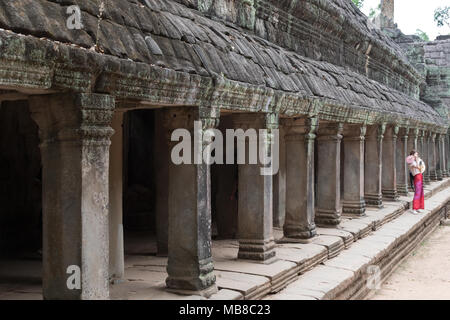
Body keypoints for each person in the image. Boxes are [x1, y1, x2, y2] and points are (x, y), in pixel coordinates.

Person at [406, 150, 425, 214]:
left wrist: (418, 161)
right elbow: (415, 166)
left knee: (421, 192)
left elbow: (421, 167)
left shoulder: (418, 160)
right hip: (416, 176)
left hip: (420, 175)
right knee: (417, 192)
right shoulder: (411, 161)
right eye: (416, 154)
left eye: (417, 154)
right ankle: (414, 208)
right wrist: (415, 159)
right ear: (412, 155)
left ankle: (419, 207)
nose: (417, 155)